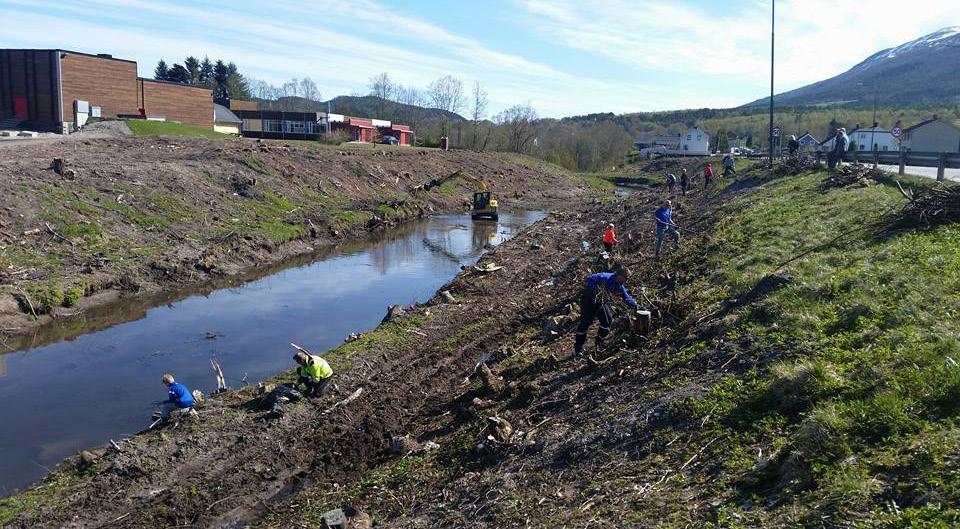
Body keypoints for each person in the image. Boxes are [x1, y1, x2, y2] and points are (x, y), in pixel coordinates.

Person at [573, 266, 639, 357]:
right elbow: (589, 279)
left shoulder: (619, 285)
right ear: (619, 275)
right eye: (625, 278)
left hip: (602, 301)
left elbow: (626, 297)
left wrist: (635, 305)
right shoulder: (604, 277)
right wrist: (596, 292)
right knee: (585, 323)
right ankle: (578, 348)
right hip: (588, 300)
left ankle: (599, 342)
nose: (626, 281)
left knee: (607, 320)